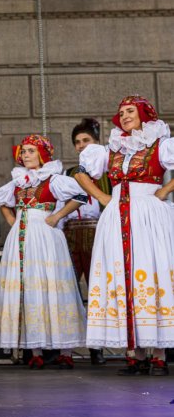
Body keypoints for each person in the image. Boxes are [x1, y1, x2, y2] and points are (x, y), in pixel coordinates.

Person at [74, 95, 174, 376]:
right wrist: (104, 197)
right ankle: (136, 354)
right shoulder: (111, 150)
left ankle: (159, 354)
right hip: (117, 216)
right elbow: (81, 174)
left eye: (130, 111)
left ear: (144, 115)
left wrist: (165, 191)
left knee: (150, 272)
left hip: (149, 215)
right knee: (124, 277)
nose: (125, 115)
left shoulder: (161, 144)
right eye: (121, 112)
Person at [0, 134, 87, 369]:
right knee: (27, 287)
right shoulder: (18, 182)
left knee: (53, 284)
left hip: (45, 234)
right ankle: (34, 349)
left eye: (31, 151)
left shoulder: (53, 179)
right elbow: (3, 202)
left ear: (43, 154)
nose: (26, 156)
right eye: (23, 152)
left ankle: (65, 349)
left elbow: (81, 196)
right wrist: (12, 220)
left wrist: (57, 216)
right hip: (21, 235)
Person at [58, 118, 110, 365]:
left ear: (96, 142)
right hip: (70, 234)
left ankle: (97, 348)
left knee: (97, 291)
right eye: (77, 142)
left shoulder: (107, 171)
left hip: (97, 233)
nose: (81, 146)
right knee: (69, 291)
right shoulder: (69, 173)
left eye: (85, 140)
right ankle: (65, 350)